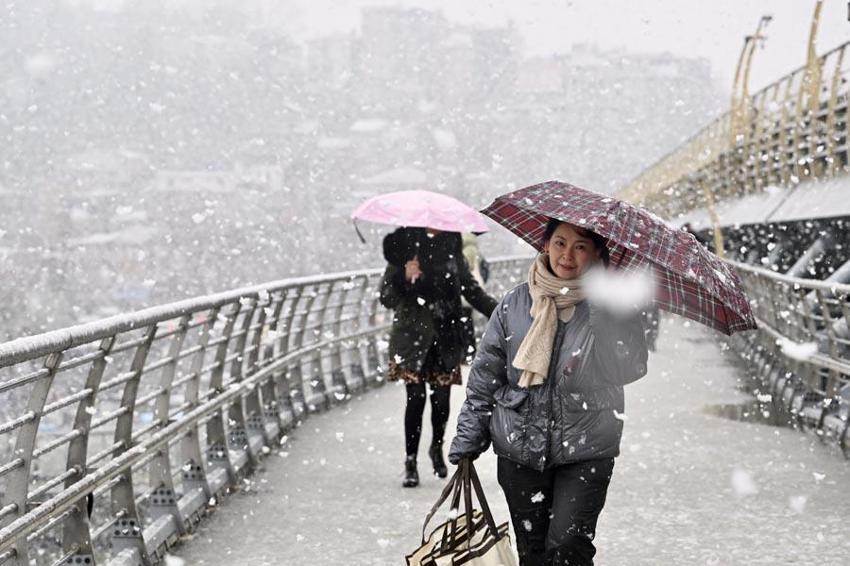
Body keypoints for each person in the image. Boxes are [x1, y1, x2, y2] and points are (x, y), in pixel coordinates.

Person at [449, 219, 649, 566]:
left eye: (580, 246)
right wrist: (468, 440)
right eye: (560, 243)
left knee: (569, 549)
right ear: (545, 245)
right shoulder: (514, 304)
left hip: (585, 451)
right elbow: (485, 380)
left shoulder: (612, 305)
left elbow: (627, 367)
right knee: (534, 554)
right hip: (520, 452)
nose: (567, 255)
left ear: (597, 255)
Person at [380, 226, 498, 488]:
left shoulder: (452, 251)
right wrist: (404, 276)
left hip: (445, 337)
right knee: (416, 398)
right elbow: (386, 297)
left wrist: (502, 311)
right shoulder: (404, 250)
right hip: (412, 340)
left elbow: (472, 291)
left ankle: (436, 447)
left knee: (441, 401)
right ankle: (410, 461)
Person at [461, 232, 489, 364]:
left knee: (464, 323)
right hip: (474, 289)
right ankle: (470, 352)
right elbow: (485, 269)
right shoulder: (476, 251)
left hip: (462, 295)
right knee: (468, 323)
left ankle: (466, 353)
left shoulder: (463, 253)